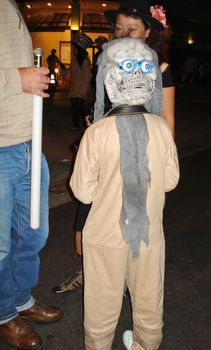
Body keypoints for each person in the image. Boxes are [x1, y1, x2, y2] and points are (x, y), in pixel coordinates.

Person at [52, 0, 176, 294]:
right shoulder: (106, 60)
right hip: (105, 149)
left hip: (141, 154)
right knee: (85, 218)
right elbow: (101, 103)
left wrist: (164, 159)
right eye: (118, 28)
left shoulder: (159, 67)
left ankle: (127, 277)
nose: (122, 34)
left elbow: (167, 117)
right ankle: (85, 270)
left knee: (135, 217)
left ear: (148, 32)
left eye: (131, 29)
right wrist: (93, 122)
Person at [70, 37, 179, 350]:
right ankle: (145, 345)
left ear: (108, 79)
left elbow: (82, 191)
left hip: (104, 237)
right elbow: (170, 181)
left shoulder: (97, 132)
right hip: (150, 236)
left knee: (101, 305)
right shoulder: (160, 128)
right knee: (148, 300)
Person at [0, 1, 63, 349]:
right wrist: (17, 79)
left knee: (33, 233)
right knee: (0, 244)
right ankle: (3, 313)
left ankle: (20, 298)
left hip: (28, 141)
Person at [69, 33, 93, 130]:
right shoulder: (75, 60)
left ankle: (86, 127)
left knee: (81, 110)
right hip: (74, 90)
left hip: (80, 92)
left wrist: (83, 92)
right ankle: (77, 126)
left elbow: (87, 77)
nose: (73, 49)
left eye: (75, 47)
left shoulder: (85, 61)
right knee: (75, 110)